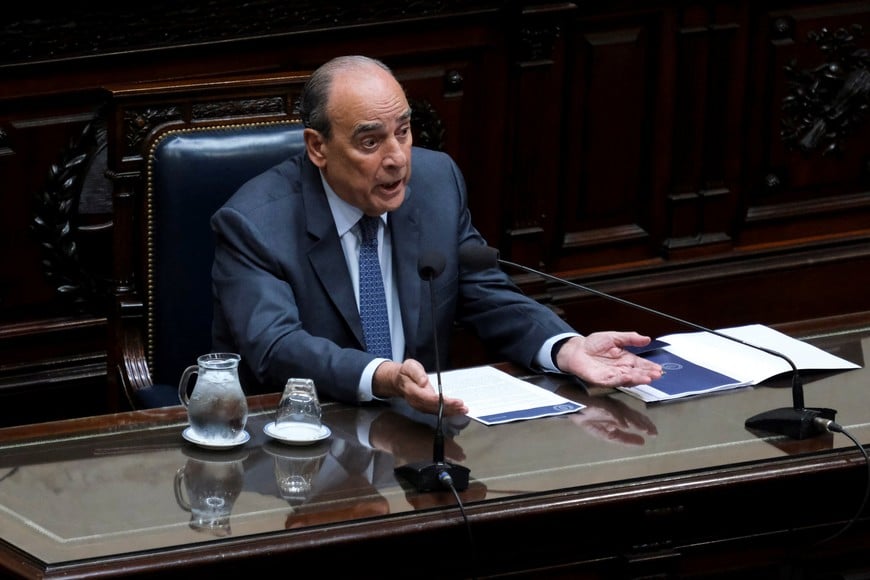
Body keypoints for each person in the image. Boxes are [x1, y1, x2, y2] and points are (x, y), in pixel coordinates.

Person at [210, 54, 663, 417]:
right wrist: (382, 376)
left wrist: (565, 347)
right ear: (318, 147)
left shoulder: (435, 182)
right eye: (371, 142)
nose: (397, 159)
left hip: (421, 426)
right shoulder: (253, 223)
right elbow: (275, 346)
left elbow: (484, 291)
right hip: (303, 432)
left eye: (403, 132)